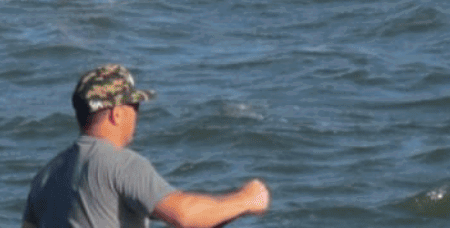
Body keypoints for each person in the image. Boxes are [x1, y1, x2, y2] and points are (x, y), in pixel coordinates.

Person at [22, 63, 270, 228]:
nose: (137, 115)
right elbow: (184, 214)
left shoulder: (45, 177)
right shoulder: (121, 164)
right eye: (135, 106)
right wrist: (246, 200)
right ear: (116, 114)